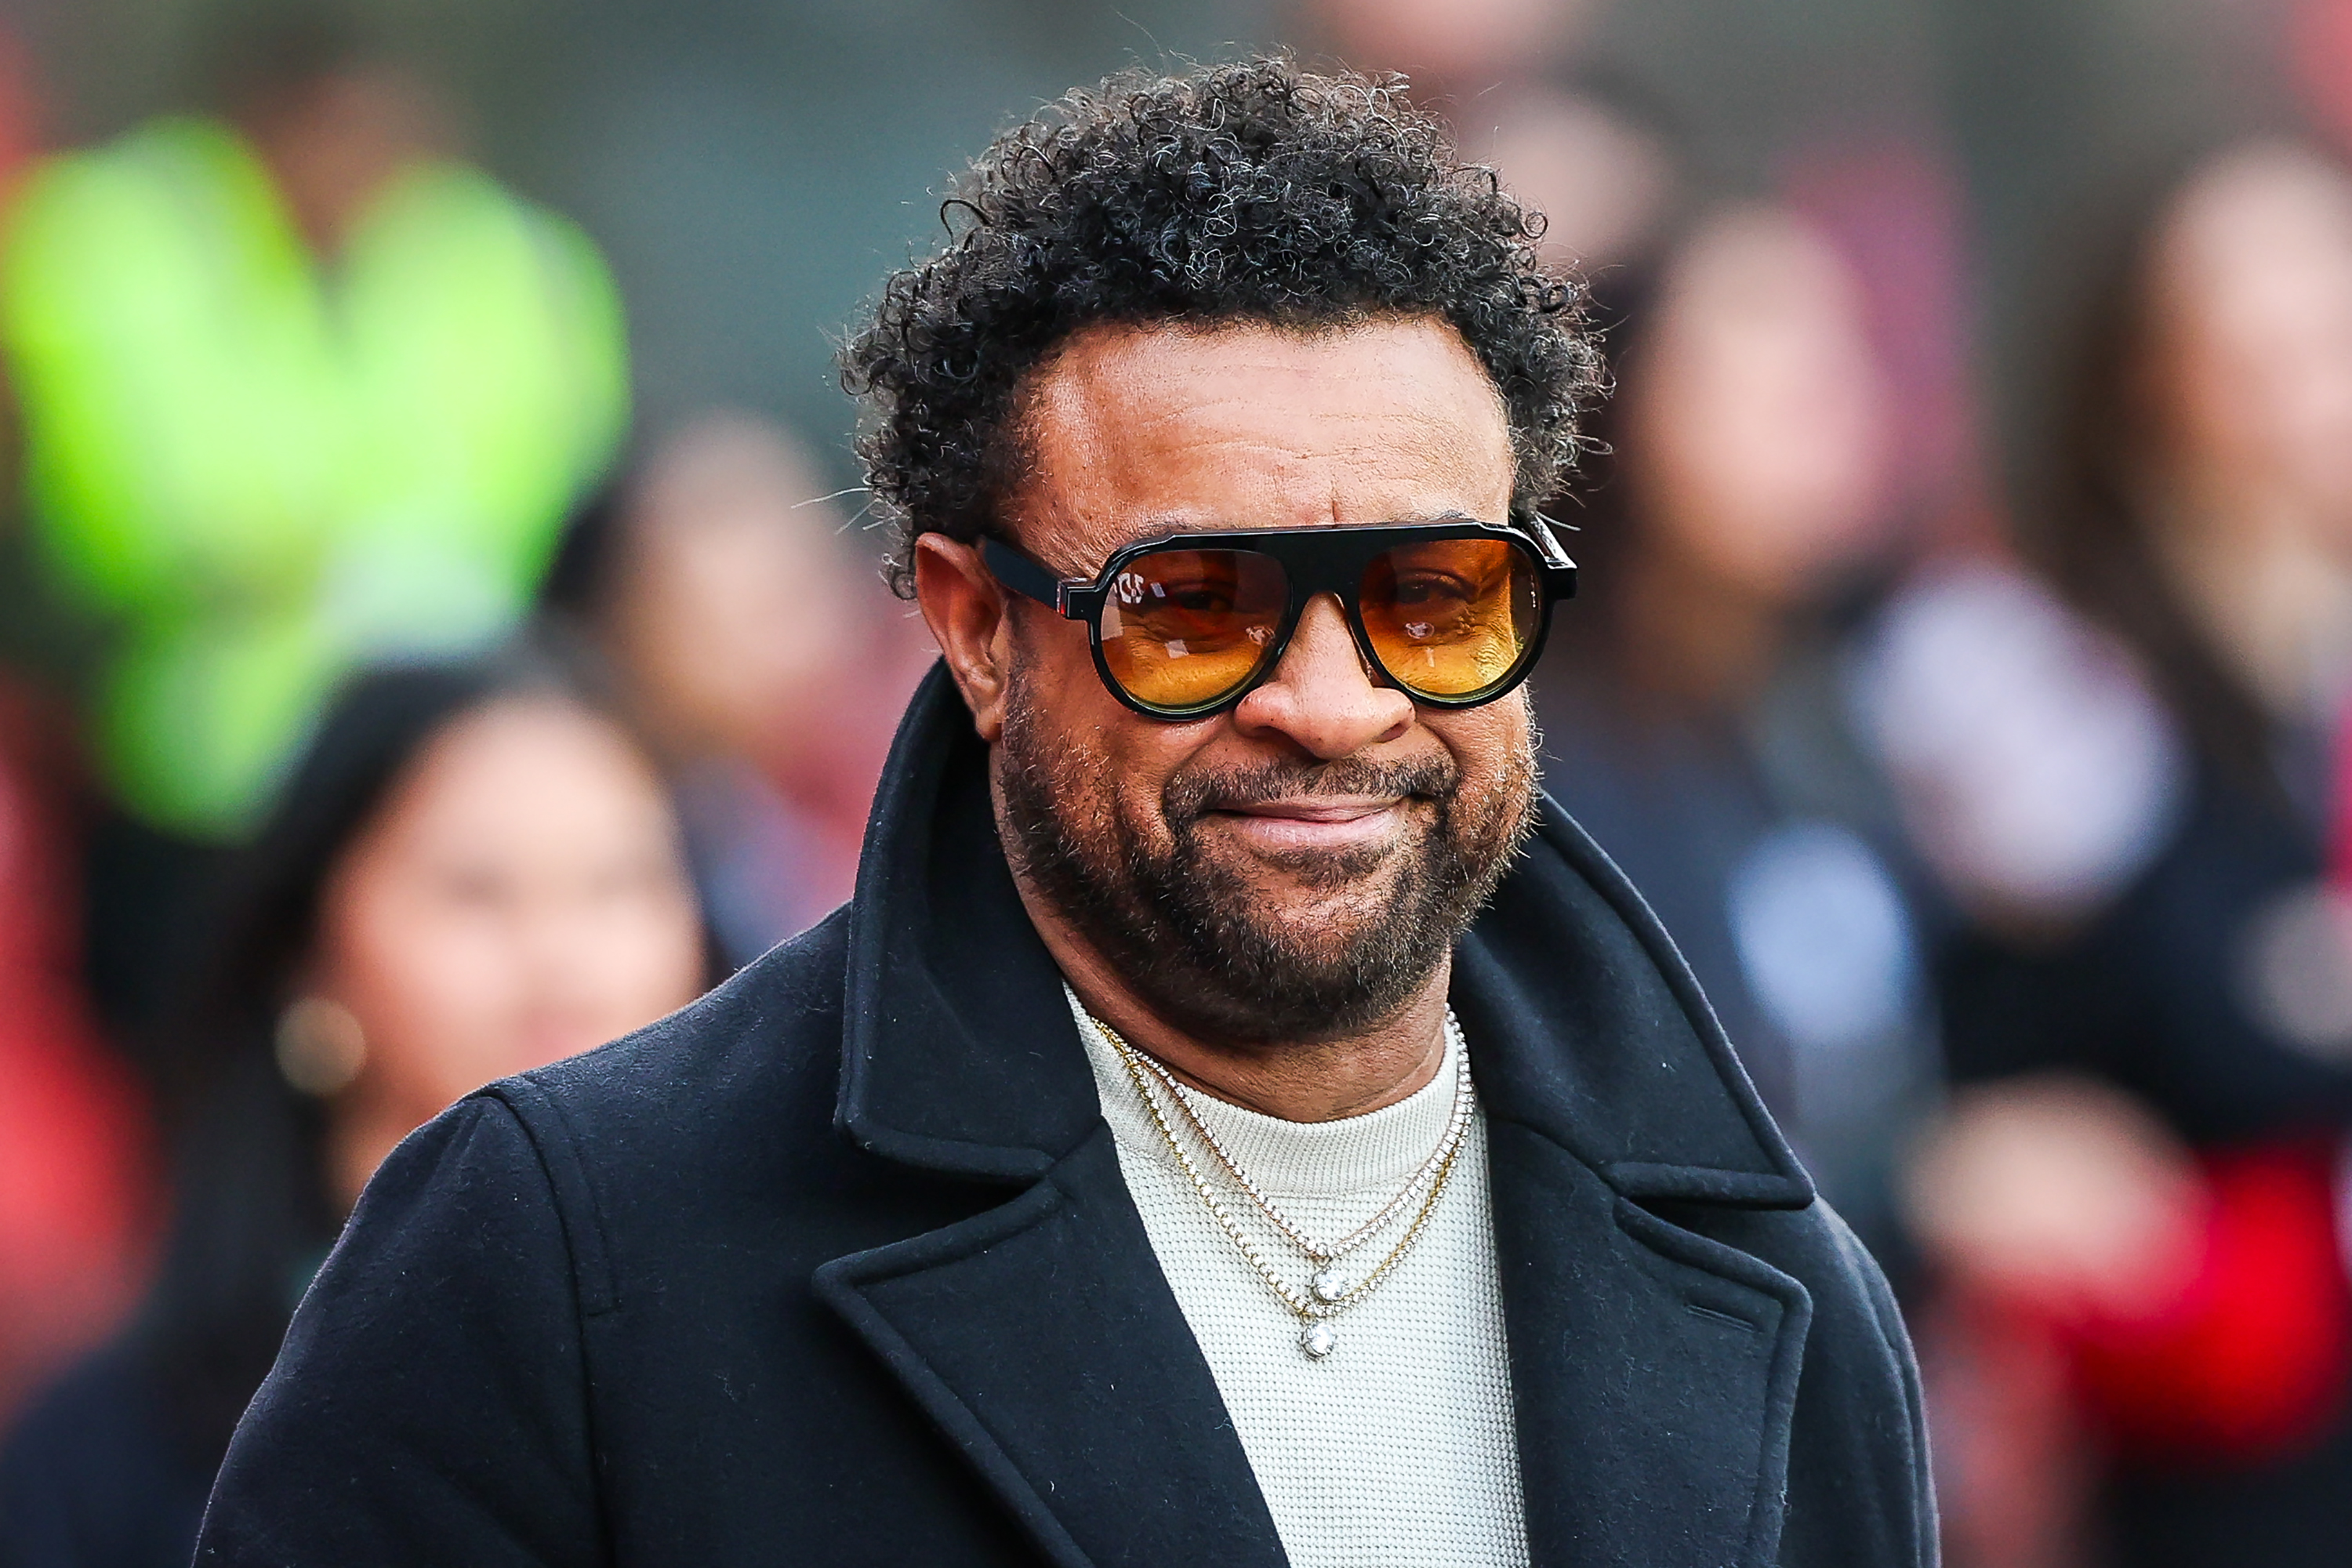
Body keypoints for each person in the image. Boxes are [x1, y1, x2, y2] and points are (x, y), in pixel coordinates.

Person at [192, 61, 1933, 1566]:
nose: (1333, 701)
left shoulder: (1785, 1294)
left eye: (1433, 597)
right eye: (1191, 607)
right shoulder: (559, 1258)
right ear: (973, 630)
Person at [0, 6, 627, 1047]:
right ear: (265, 118)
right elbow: (149, 513)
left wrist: (316, 543)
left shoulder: (504, 262)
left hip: (420, 756)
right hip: (185, 773)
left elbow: (538, 483)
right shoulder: (113, 238)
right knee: (202, 1058)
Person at [0, 652, 707, 1568]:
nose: (562, 962)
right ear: (307, 955)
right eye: (476, 889)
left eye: (620, 881)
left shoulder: (782, 1365)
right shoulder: (112, 1460)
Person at [1902, 141, 2352, 1568]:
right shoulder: (2042, 680)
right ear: (2147, 373)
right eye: (2241, 316)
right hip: (2194, 1439)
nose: (2294, 356)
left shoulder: (2311, 653)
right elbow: (2037, 1029)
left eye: (2324, 303)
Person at [1532, 203, 1937, 1262]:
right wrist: (1929, 1198)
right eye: (1768, 381)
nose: (1833, 407)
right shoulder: (1547, 759)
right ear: (1614, 415)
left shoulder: (1838, 702)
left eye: (1845, 360)